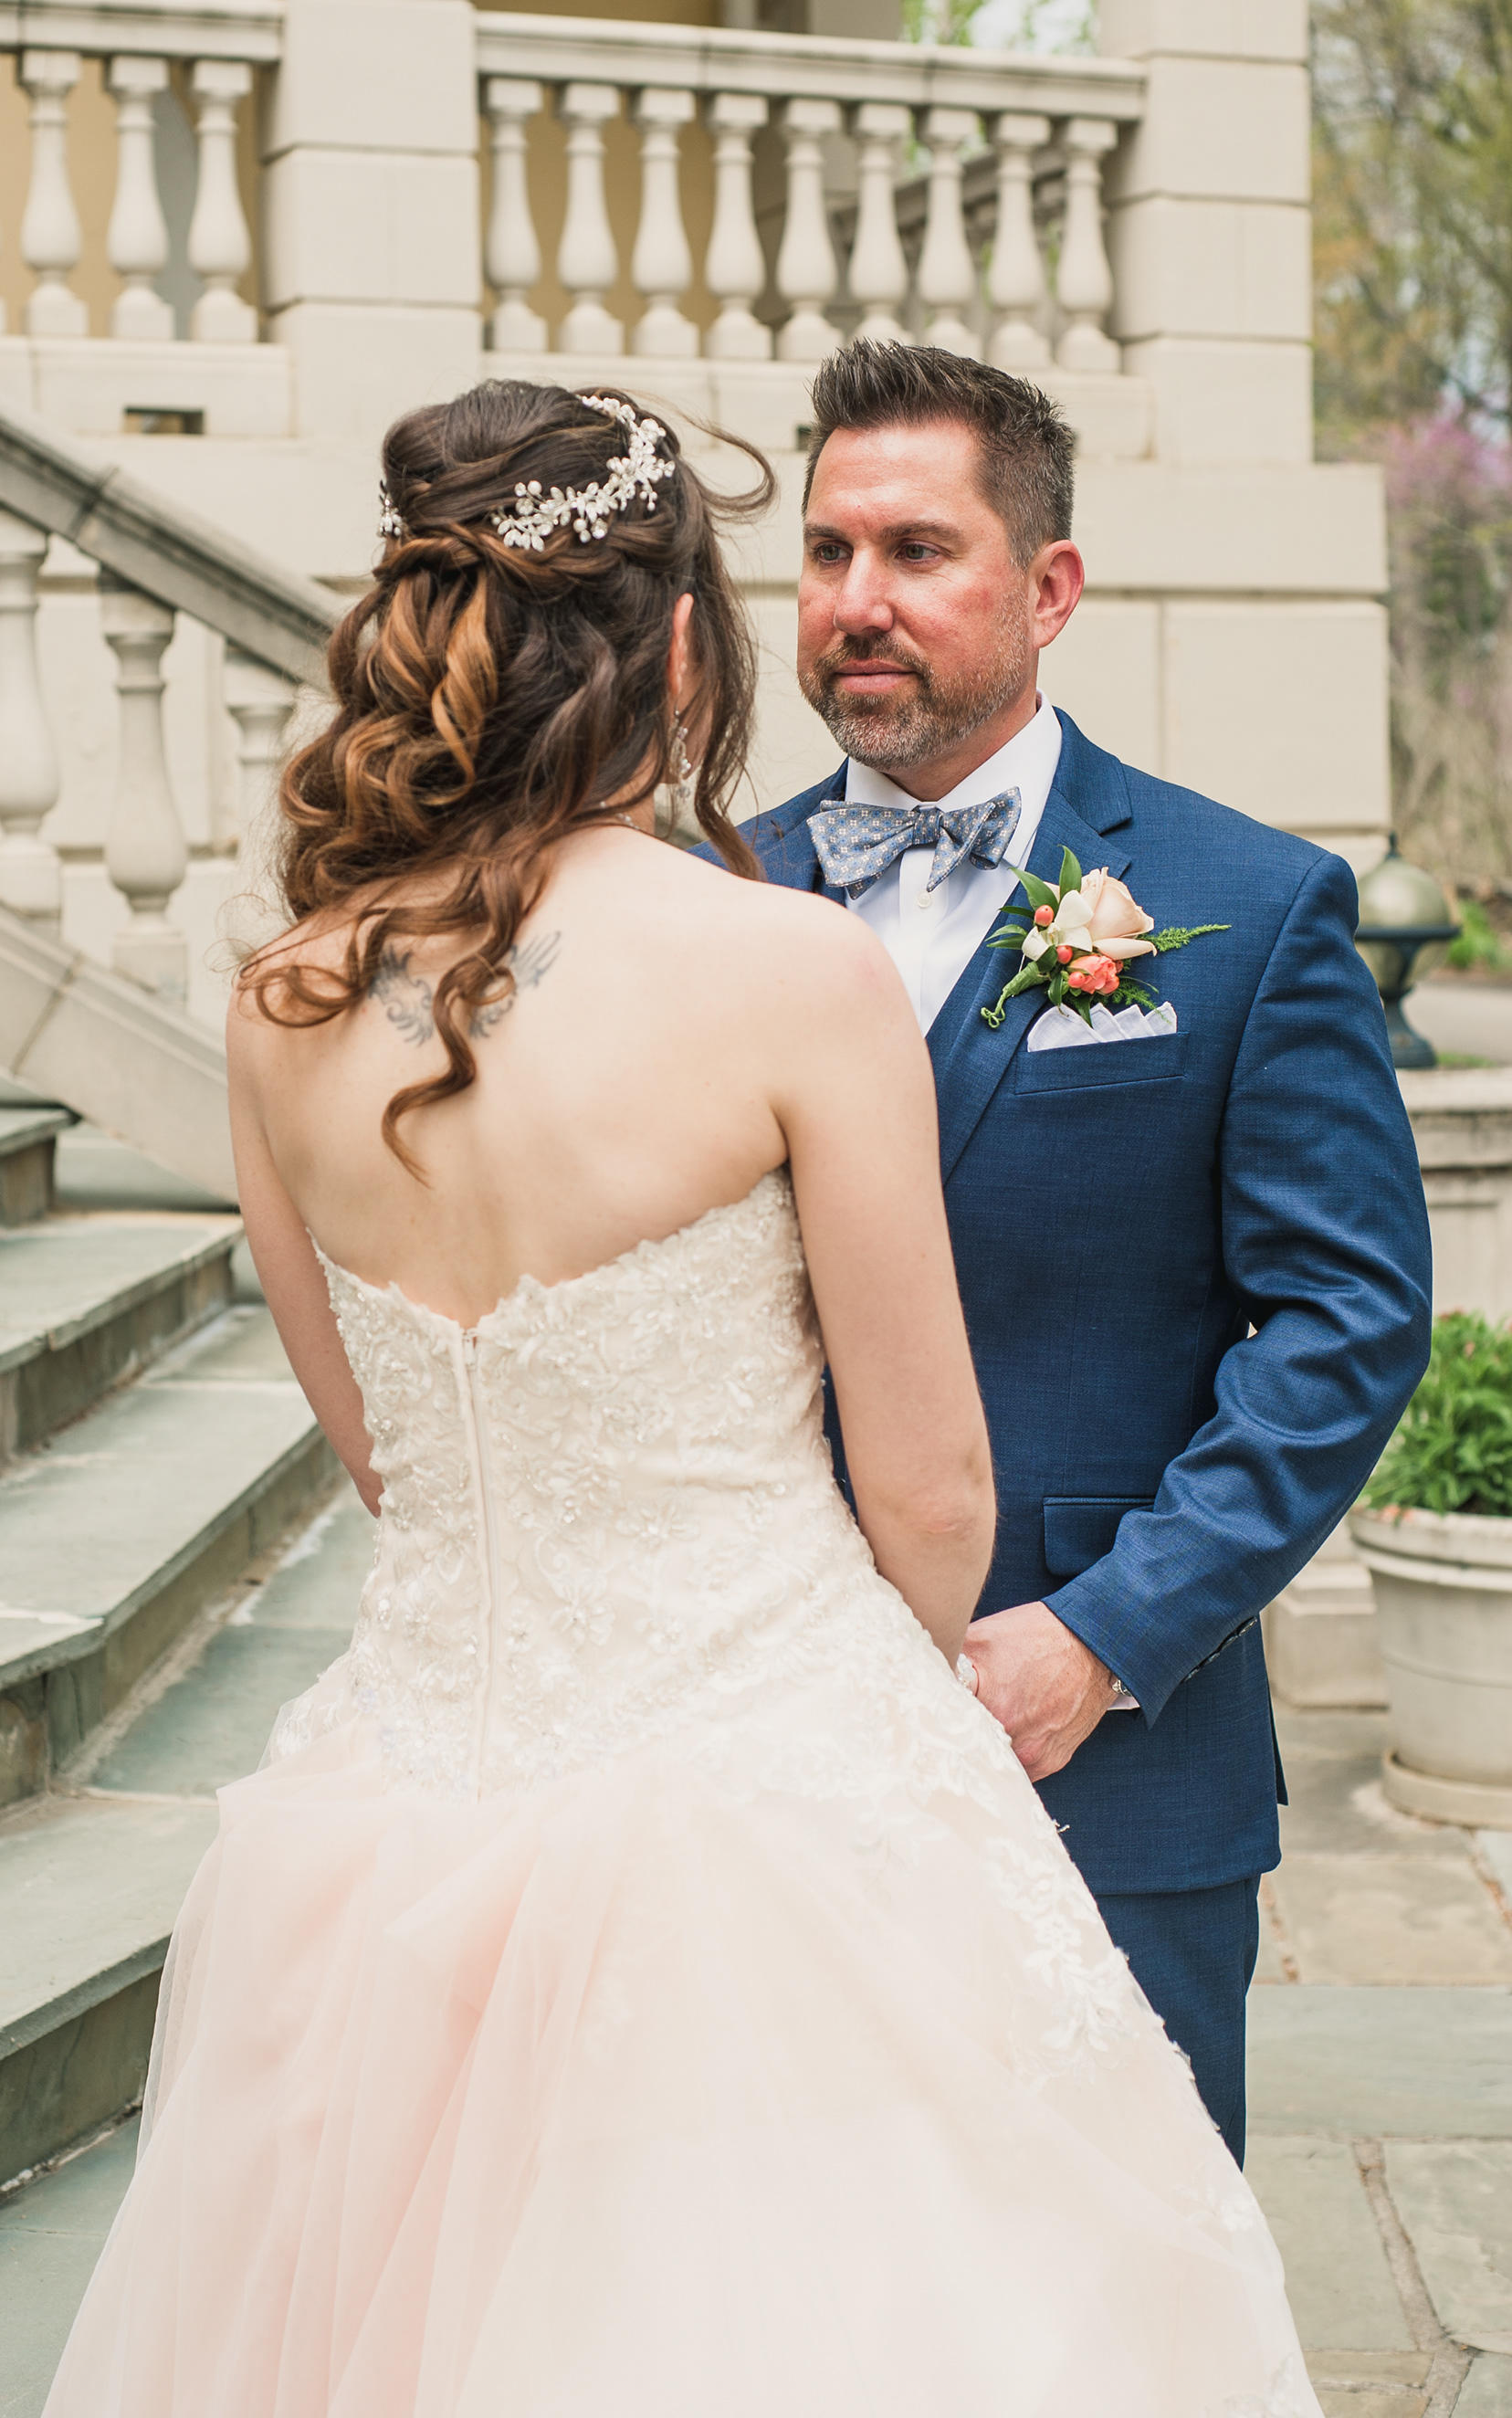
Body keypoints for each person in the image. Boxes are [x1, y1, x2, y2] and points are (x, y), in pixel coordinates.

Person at [43, 378, 1321, 2415]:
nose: (852, 595)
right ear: (674, 650)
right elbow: (934, 1503)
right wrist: (838, 1696)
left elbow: (387, 1457)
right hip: (763, 1812)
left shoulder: (281, 1006)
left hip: (387, 1837)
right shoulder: (783, 963)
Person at [729, 339, 1433, 2166]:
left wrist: (1106, 1637)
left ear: (1048, 590)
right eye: (827, 552)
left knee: (1124, 2266)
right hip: (745, 1750)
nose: (857, 602)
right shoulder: (708, 896)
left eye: (916, 551)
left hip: (1096, 1756)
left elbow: (1347, 1320)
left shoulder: (1248, 907)